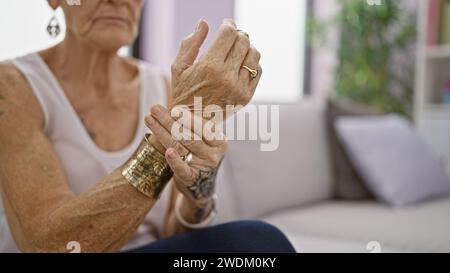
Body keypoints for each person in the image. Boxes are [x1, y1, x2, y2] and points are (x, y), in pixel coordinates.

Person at [0, 0, 295, 253]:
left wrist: (198, 192)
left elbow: (174, 231)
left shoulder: (164, 85)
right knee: (259, 241)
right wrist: (173, 129)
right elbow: (53, 246)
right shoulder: (13, 85)